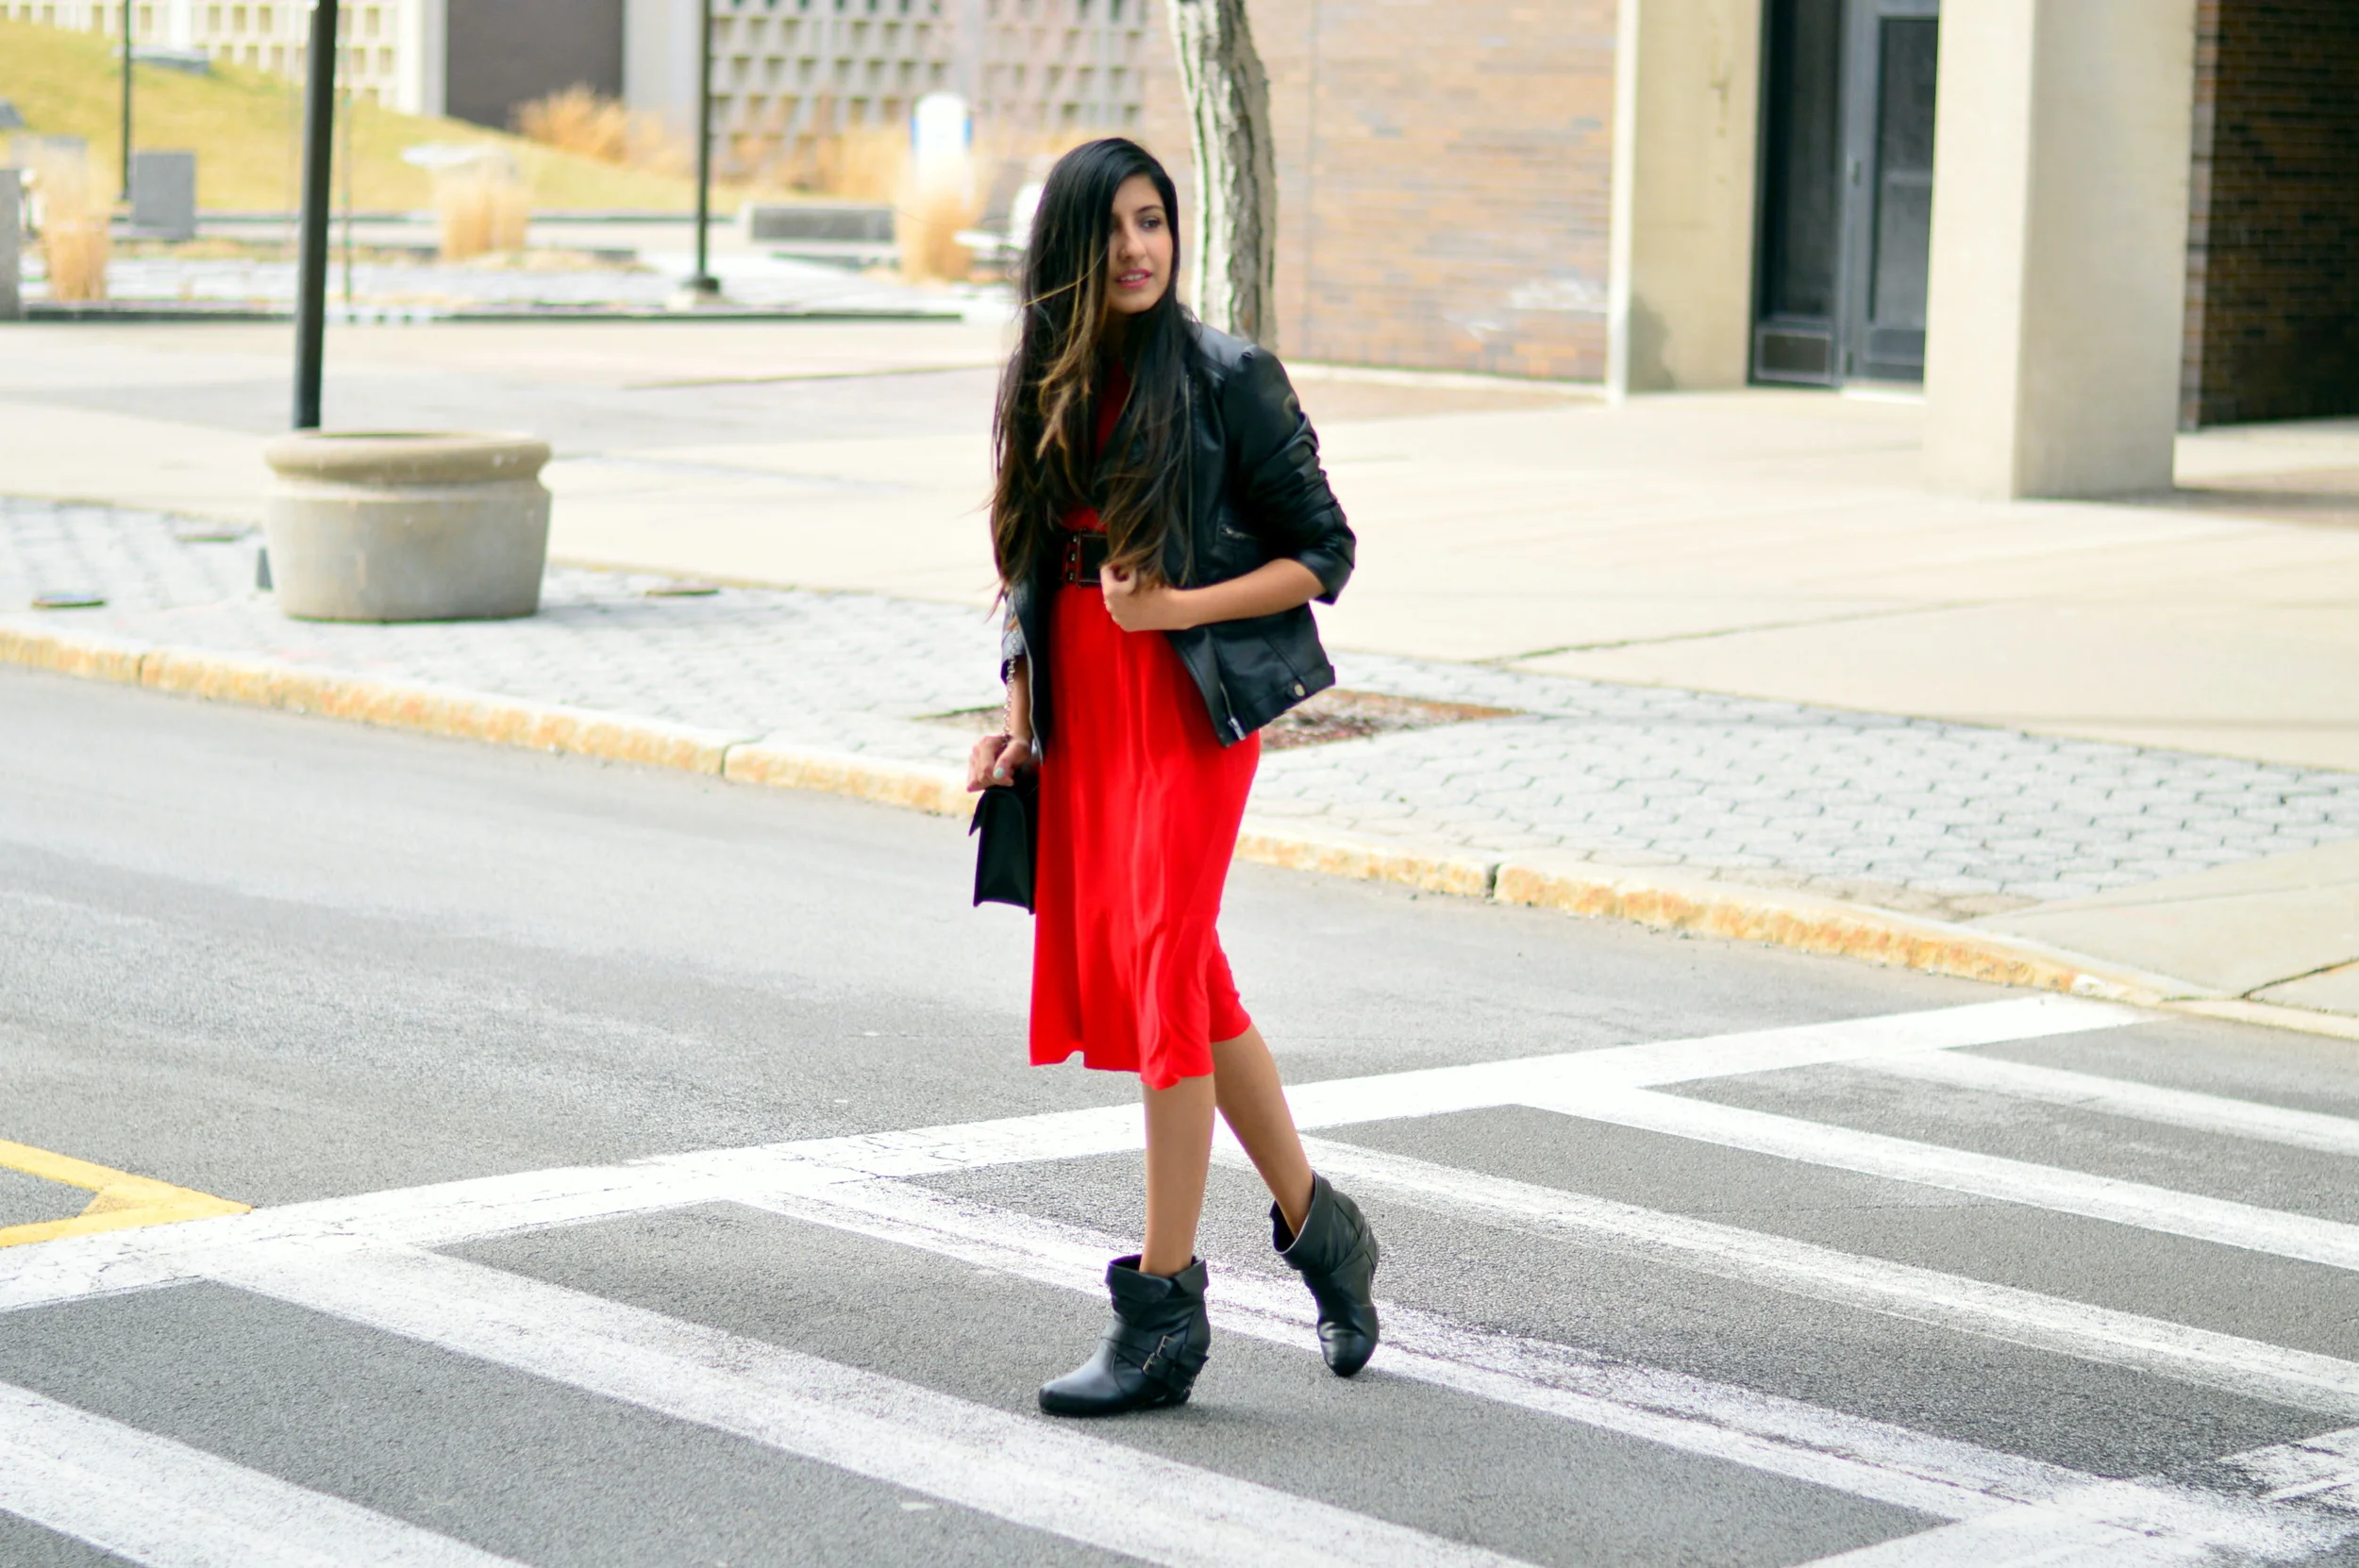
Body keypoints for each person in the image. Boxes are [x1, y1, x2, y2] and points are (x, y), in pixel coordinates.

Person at [966, 137, 1380, 1418]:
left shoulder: (1228, 376)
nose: (1140, 248)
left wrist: (1176, 608)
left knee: (1160, 957)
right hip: (1088, 703)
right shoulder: (1045, 380)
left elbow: (1325, 554)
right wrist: (1021, 715)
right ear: (1071, 255)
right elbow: (1029, 566)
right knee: (1189, 978)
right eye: (1116, 230)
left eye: (1155, 222)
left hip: (1189, 705)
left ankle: (1163, 1313)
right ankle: (1326, 1233)